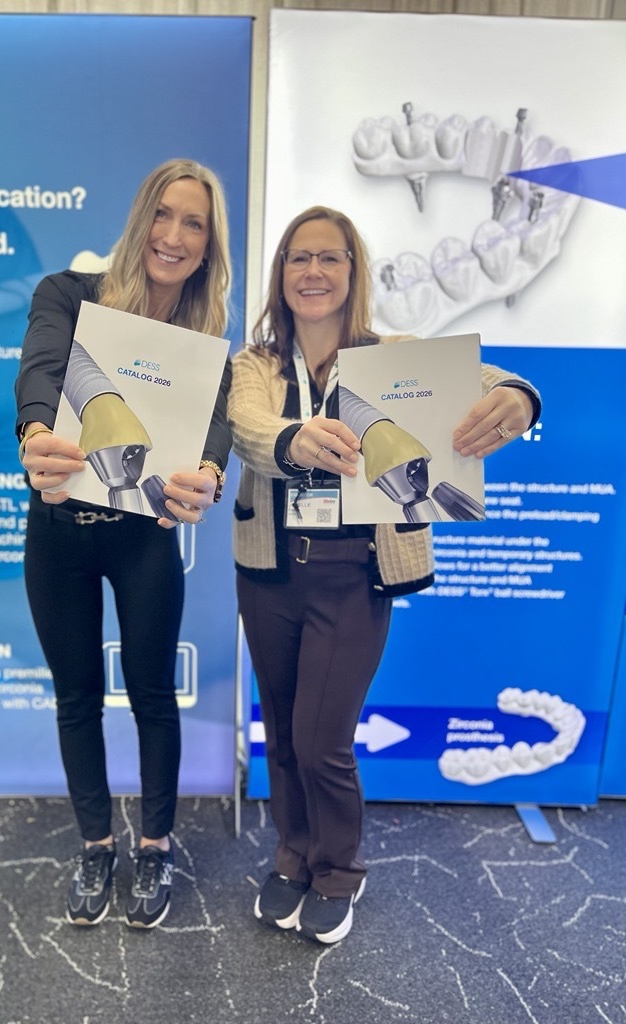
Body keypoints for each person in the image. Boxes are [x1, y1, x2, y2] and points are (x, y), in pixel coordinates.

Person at [228, 206, 540, 945]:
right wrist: (295, 437)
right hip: (269, 571)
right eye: (298, 258)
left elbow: (490, 380)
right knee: (283, 733)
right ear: (280, 274)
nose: (312, 271)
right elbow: (245, 426)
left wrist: (520, 397)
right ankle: (293, 856)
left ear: (353, 272)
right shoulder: (255, 364)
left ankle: (338, 870)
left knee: (322, 740)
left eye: (329, 258)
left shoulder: (392, 355)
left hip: (353, 574)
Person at [14, 159, 232, 930]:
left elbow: (215, 428)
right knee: (76, 696)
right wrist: (36, 432)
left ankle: (156, 845)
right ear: (141, 219)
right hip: (58, 536)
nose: (174, 235)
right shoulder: (66, 296)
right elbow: (42, 369)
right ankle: (96, 845)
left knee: (152, 696)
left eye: (194, 223)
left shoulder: (201, 345)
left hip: (143, 540)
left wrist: (209, 475)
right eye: (163, 215)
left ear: (208, 247)